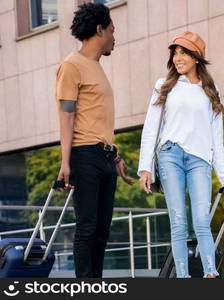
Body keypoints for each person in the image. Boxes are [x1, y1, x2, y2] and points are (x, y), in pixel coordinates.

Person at [138, 31, 224, 278]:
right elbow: (151, 127)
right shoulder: (163, 86)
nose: (177, 57)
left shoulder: (211, 90)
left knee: (202, 220)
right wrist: (145, 167)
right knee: (179, 221)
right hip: (170, 155)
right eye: (175, 53)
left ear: (196, 57)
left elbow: (217, 137)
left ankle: (210, 273)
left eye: (183, 52)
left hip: (200, 161)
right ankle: (182, 277)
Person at [55, 2, 133, 278]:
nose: (115, 36)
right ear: (100, 29)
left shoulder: (96, 68)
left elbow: (97, 118)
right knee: (87, 229)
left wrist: (115, 156)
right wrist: (65, 163)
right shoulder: (71, 65)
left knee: (102, 231)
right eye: (112, 29)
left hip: (104, 157)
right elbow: (66, 115)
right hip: (83, 154)